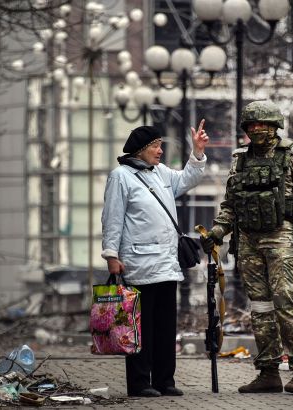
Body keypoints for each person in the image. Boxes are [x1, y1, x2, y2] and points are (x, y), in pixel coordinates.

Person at [201, 100, 293, 395]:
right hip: (249, 242)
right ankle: (269, 372)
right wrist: (217, 232)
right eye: (252, 125)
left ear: (275, 126)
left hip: (283, 239)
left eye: (263, 124)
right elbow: (231, 204)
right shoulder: (240, 160)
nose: (257, 129)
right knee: (260, 309)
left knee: (288, 305)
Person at [101, 122, 209, 397]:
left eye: (161, 145)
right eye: (155, 146)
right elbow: (112, 218)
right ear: (140, 149)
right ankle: (139, 383)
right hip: (138, 263)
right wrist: (111, 254)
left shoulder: (160, 173)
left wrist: (197, 152)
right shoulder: (121, 177)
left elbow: (187, 179)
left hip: (166, 264)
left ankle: (164, 381)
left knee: (165, 327)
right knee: (140, 327)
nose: (160, 151)